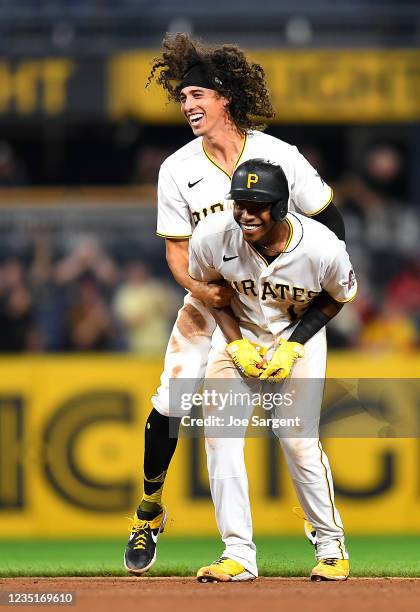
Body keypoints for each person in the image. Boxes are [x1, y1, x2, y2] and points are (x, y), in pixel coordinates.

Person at [124, 32, 346, 575]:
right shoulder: (177, 168)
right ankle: (150, 511)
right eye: (181, 98)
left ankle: (324, 540)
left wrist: (304, 290)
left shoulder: (277, 155)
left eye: (197, 94)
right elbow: (179, 254)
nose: (188, 105)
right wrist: (202, 291)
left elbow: (330, 224)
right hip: (213, 301)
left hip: (278, 305)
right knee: (173, 406)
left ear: (226, 98)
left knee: (295, 436)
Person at [188, 159, 357, 582]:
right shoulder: (212, 236)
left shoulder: (322, 246)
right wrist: (236, 342)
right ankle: (238, 554)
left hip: (297, 338)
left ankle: (331, 544)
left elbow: (339, 296)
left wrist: (295, 344)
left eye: (257, 205)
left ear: (281, 206)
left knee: (298, 442)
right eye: (239, 203)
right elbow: (212, 293)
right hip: (237, 336)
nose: (245, 213)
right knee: (221, 441)